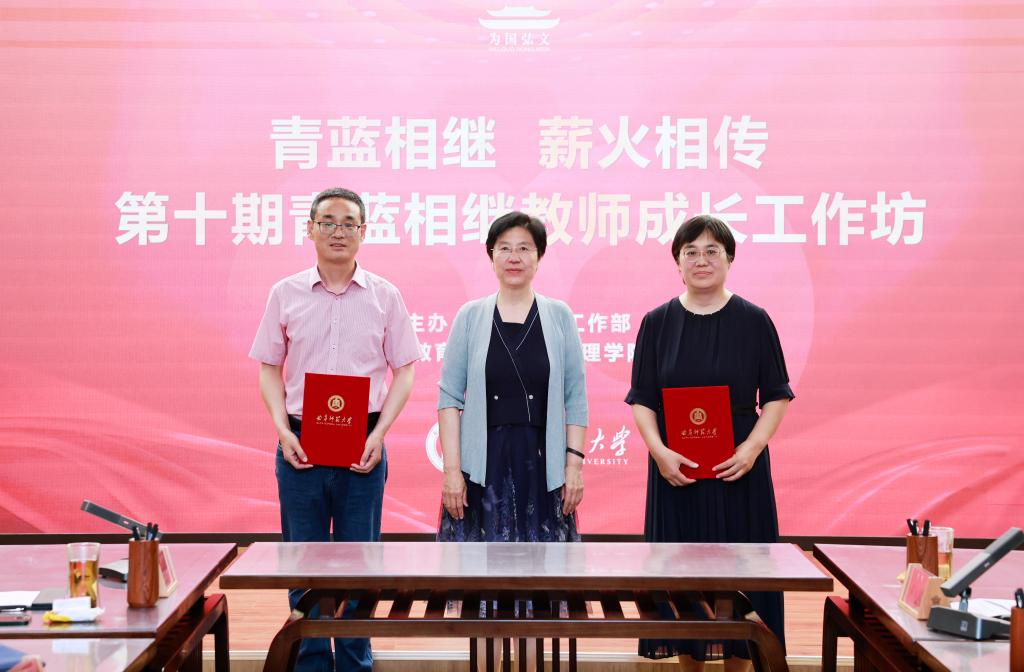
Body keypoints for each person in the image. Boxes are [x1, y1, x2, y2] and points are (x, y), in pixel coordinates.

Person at [250, 187, 421, 672]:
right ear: (310, 229)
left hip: (362, 444)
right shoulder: (285, 293)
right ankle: (309, 660)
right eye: (327, 221)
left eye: (348, 223)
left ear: (363, 232)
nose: (338, 231)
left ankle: (353, 660)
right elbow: (269, 367)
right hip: (299, 442)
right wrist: (282, 431)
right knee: (302, 559)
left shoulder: (385, 296)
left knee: (360, 562)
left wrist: (379, 434)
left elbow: (405, 370)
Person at [626, 214, 794, 672]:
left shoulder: (754, 321)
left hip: (739, 469)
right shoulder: (657, 322)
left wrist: (752, 449)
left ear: (730, 259)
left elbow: (776, 395)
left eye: (711, 251)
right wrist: (659, 452)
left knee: (745, 579)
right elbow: (642, 399)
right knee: (682, 580)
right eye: (691, 252)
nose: (701, 260)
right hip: (675, 472)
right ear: (678, 263)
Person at [436, 211, 588, 667]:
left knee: (541, 588)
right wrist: (452, 471)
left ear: (539, 257)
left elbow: (575, 398)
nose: (514, 256)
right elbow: (449, 398)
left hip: (542, 469)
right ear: (491, 256)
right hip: (484, 468)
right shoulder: (471, 316)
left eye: (524, 247)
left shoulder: (559, 316)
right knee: (485, 589)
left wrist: (574, 466)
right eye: (504, 247)